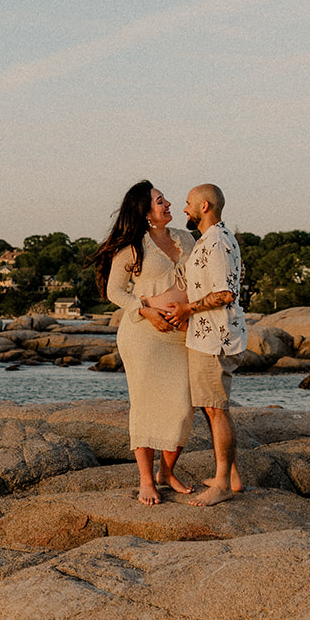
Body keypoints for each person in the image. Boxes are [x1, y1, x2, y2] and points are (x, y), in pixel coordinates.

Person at [96, 180, 196, 505]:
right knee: (146, 405)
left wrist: (190, 311)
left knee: (183, 405)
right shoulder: (133, 248)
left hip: (181, 334)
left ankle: (166, 472)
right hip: (143, 336)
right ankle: (145, 480)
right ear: (145, 211)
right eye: (159, 201)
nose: (167, 204)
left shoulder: (186, 239)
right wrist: (147, 311)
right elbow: (115, 292)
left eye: (165, 199)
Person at [167, 183, 246, 507]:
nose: (184, 209)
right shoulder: (210, 240)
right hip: (207, 336)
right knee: (210, 407)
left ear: (204, 206)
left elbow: (226, 293)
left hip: (217, 337)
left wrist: (187, 309)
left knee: (216, 409)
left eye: (188, 204)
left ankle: (224, 484)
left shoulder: (217, 241)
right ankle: (231, 477)